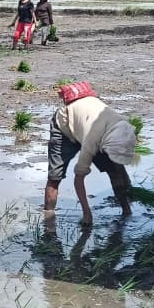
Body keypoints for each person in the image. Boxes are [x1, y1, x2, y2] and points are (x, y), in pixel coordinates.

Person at [43, 92, 137, 221]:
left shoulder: (123, 128)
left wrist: (127, 188)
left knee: (115, 169)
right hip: (65, 124)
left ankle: (126, 211)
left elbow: (120, 166)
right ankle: (48, 219)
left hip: (89, 123)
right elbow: (79, 179)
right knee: (55, 176)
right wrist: (87, 213)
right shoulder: (92, 141)